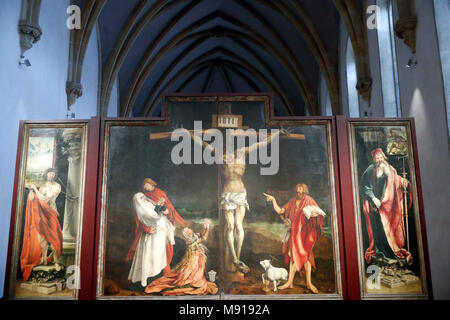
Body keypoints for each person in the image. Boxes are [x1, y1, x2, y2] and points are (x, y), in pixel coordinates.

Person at [190, 129, 281, 274]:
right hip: (228, 194)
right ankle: (234, 257)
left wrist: (278, 134)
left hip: (240, 194)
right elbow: (203, 144)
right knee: (230, 226)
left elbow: (262, 143)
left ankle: (237, 257)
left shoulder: (242, 152)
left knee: (239, 226)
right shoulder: (220, 155)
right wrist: (188, 134)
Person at [264, 183, 325, 293]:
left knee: (306, 256)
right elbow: (280, 211)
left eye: (301, 190)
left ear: (305, 191)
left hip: (306, 234)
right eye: (297, 190)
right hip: (294, 234)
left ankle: (309, 283)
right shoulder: (292, 202)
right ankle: (290, 282)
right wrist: (273, 200)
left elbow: (319, 214)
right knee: (293, 255)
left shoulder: (309, 200)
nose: (298, 192)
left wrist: (315, 215)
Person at [126, 178, 184, 287]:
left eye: (147, 186)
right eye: (144, 187)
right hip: (152, 232)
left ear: (151, 184)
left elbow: (168, 209)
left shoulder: (159, 193)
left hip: (162, 229)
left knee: (163, 252)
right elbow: (145, 216)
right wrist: (147, 227)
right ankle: (148, 279)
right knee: (149, 255)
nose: (145, 188)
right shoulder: (141, 198)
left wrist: (165, 210)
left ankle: (162, 277)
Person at [360, 148, 411, 265]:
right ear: (374, 160)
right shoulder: (370, 171)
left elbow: (395, 180)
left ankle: (391, 252)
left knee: (390, 230)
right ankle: (382, 253)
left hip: (388, 207)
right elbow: (365, 187)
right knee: (379, 231)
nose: (379, 160)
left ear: (384, 157)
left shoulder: (390, 169)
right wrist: (373, 198)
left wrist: (403, 181)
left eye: (381, 157)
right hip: (375, 206)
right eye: (377, 158)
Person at [144, 220, 218, 295]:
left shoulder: (194, 236)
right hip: (194, 258)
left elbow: (201, 234)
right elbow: (203, 238)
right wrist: (207, 228)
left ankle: (195, 279)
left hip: (197, 257)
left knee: (195, 272)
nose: (191, 230)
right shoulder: (191, 241)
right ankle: (193, 281)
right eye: (189, 231)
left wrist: (205, 228)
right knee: (192, 273)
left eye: (190, 230)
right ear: (188, 234)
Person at [21, 168, 63, 282]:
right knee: (41, 237)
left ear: (55, 175)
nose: (51, 175)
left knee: (54, 236)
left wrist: (34, 188)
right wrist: (31, 191)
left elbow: (46, 199)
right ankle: (44, 259)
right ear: (46, 175)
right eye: (50, 173)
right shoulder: (43, 187)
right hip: (42, 213)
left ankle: (55, 261)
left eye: (53, 173)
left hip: (51, 213)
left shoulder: (57, 186)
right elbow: (35, 199)